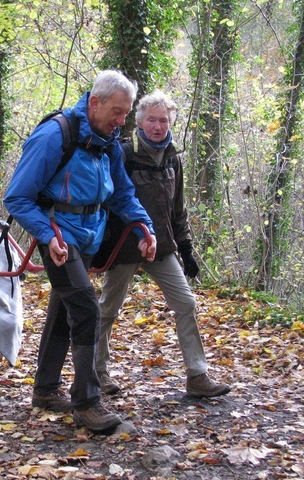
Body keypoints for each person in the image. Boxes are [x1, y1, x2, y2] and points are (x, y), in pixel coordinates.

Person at [4, 70, 157, 433]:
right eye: (116, 112)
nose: (122, 121)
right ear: (94, 102)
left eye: (126, 113)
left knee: (64, 309)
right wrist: (47, 234)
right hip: (57, 235)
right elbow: (17, 197)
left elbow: (123, 194)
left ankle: (44, 389)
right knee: (87, 307)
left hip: (90, 235)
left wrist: (144, 226)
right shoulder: (55, 135)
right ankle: (87, 402)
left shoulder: (108, 140)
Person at [96, 90, 231, 398]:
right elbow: (110, 200)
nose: (158, 126)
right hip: (124, 246)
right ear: (140, 121)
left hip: (162, 246)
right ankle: (98, 371)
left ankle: (197, 376)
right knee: (108, 309)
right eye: (152, 120)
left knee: (186, 303)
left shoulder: (173, 159)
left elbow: (177, 210)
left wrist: (186, 249)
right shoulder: (123, 153)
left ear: (172, 123)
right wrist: (103, 245)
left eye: (164, 121)